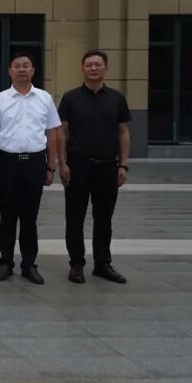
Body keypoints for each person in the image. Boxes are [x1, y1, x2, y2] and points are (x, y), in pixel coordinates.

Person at [0, 53, 62, 285]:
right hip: (7, 162)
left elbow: (52, 134)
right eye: (17, 66)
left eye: (26, 66)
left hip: (35, 163)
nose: (21, 70)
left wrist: (51, 166)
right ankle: (5, 262)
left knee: (30, 217)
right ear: (9, 71)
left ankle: (29, 264)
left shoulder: (45, 98)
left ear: (33, 70)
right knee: (7, 216)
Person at [58, 49, 132, 284]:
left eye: (98, 64)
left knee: (104, 218)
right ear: (82, 68)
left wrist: (124, 165)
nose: (93, 68)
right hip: (78, 165)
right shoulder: (70, 98)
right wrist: (62, 163)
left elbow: (123, 132)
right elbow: (61, 132)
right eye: (89, 64)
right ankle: (77, 264)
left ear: (105, 69)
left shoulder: (117, 98)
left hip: (108, 166)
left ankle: (102, 263)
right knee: (75, 217)